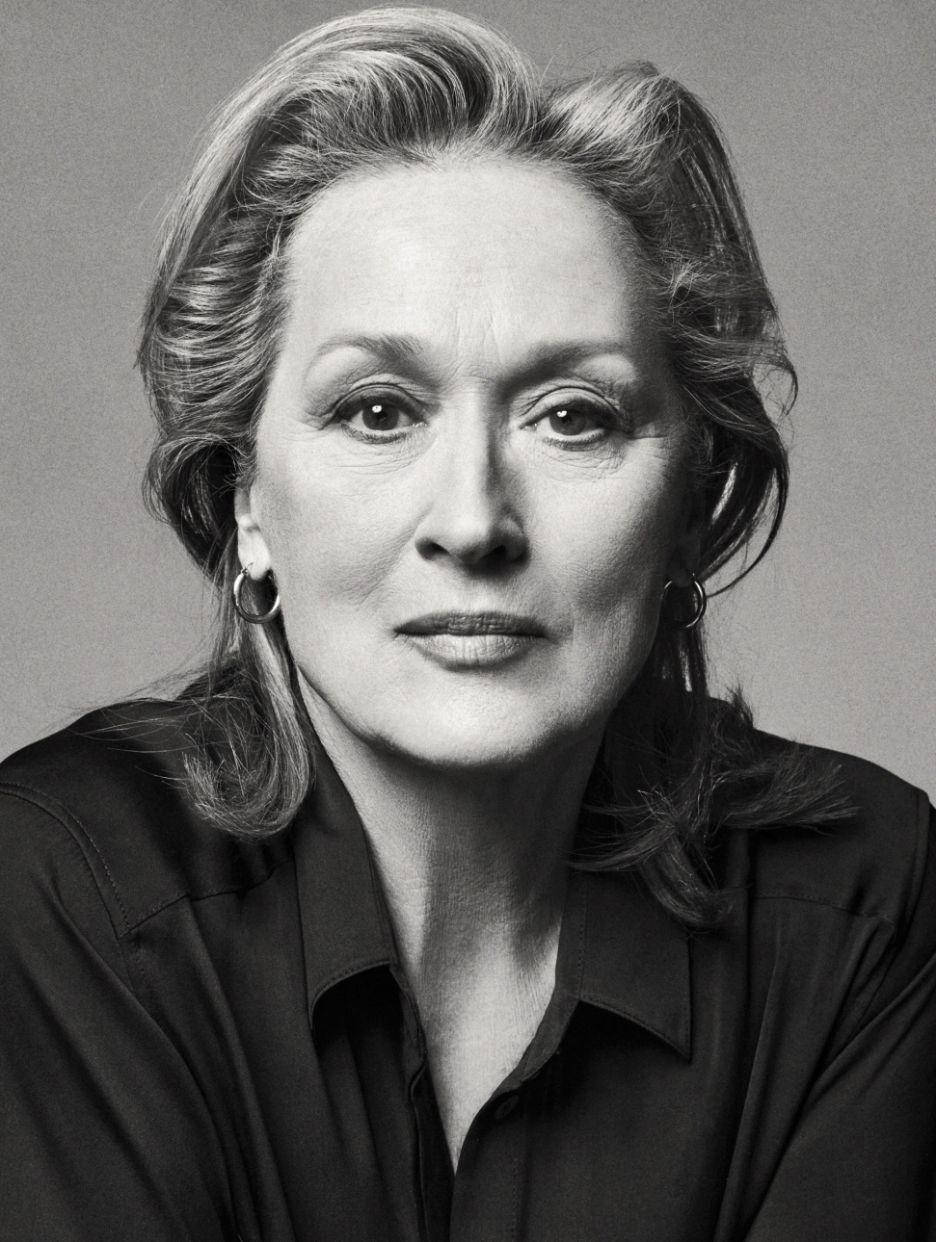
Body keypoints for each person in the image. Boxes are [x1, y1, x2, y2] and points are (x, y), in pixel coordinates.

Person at [1, 8, 933, 1240]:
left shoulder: (864, 908)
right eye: (379, 411)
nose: (475, 522)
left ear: (690, 499)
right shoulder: (60, 891)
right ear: (244, 499)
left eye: (573, 417)